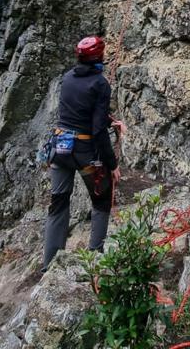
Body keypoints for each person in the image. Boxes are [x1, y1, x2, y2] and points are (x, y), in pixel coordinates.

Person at [42, 36, 124, 270]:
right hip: (84, 150)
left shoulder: (67, 78)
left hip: (60, 146)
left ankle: (49, 264)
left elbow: (76, 110)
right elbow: (96, 130)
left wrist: (109, 120)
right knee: (101, 199)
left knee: (58, 203)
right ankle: (95, 259)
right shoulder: (100, 84)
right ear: (99, 57)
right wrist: (112, 164)